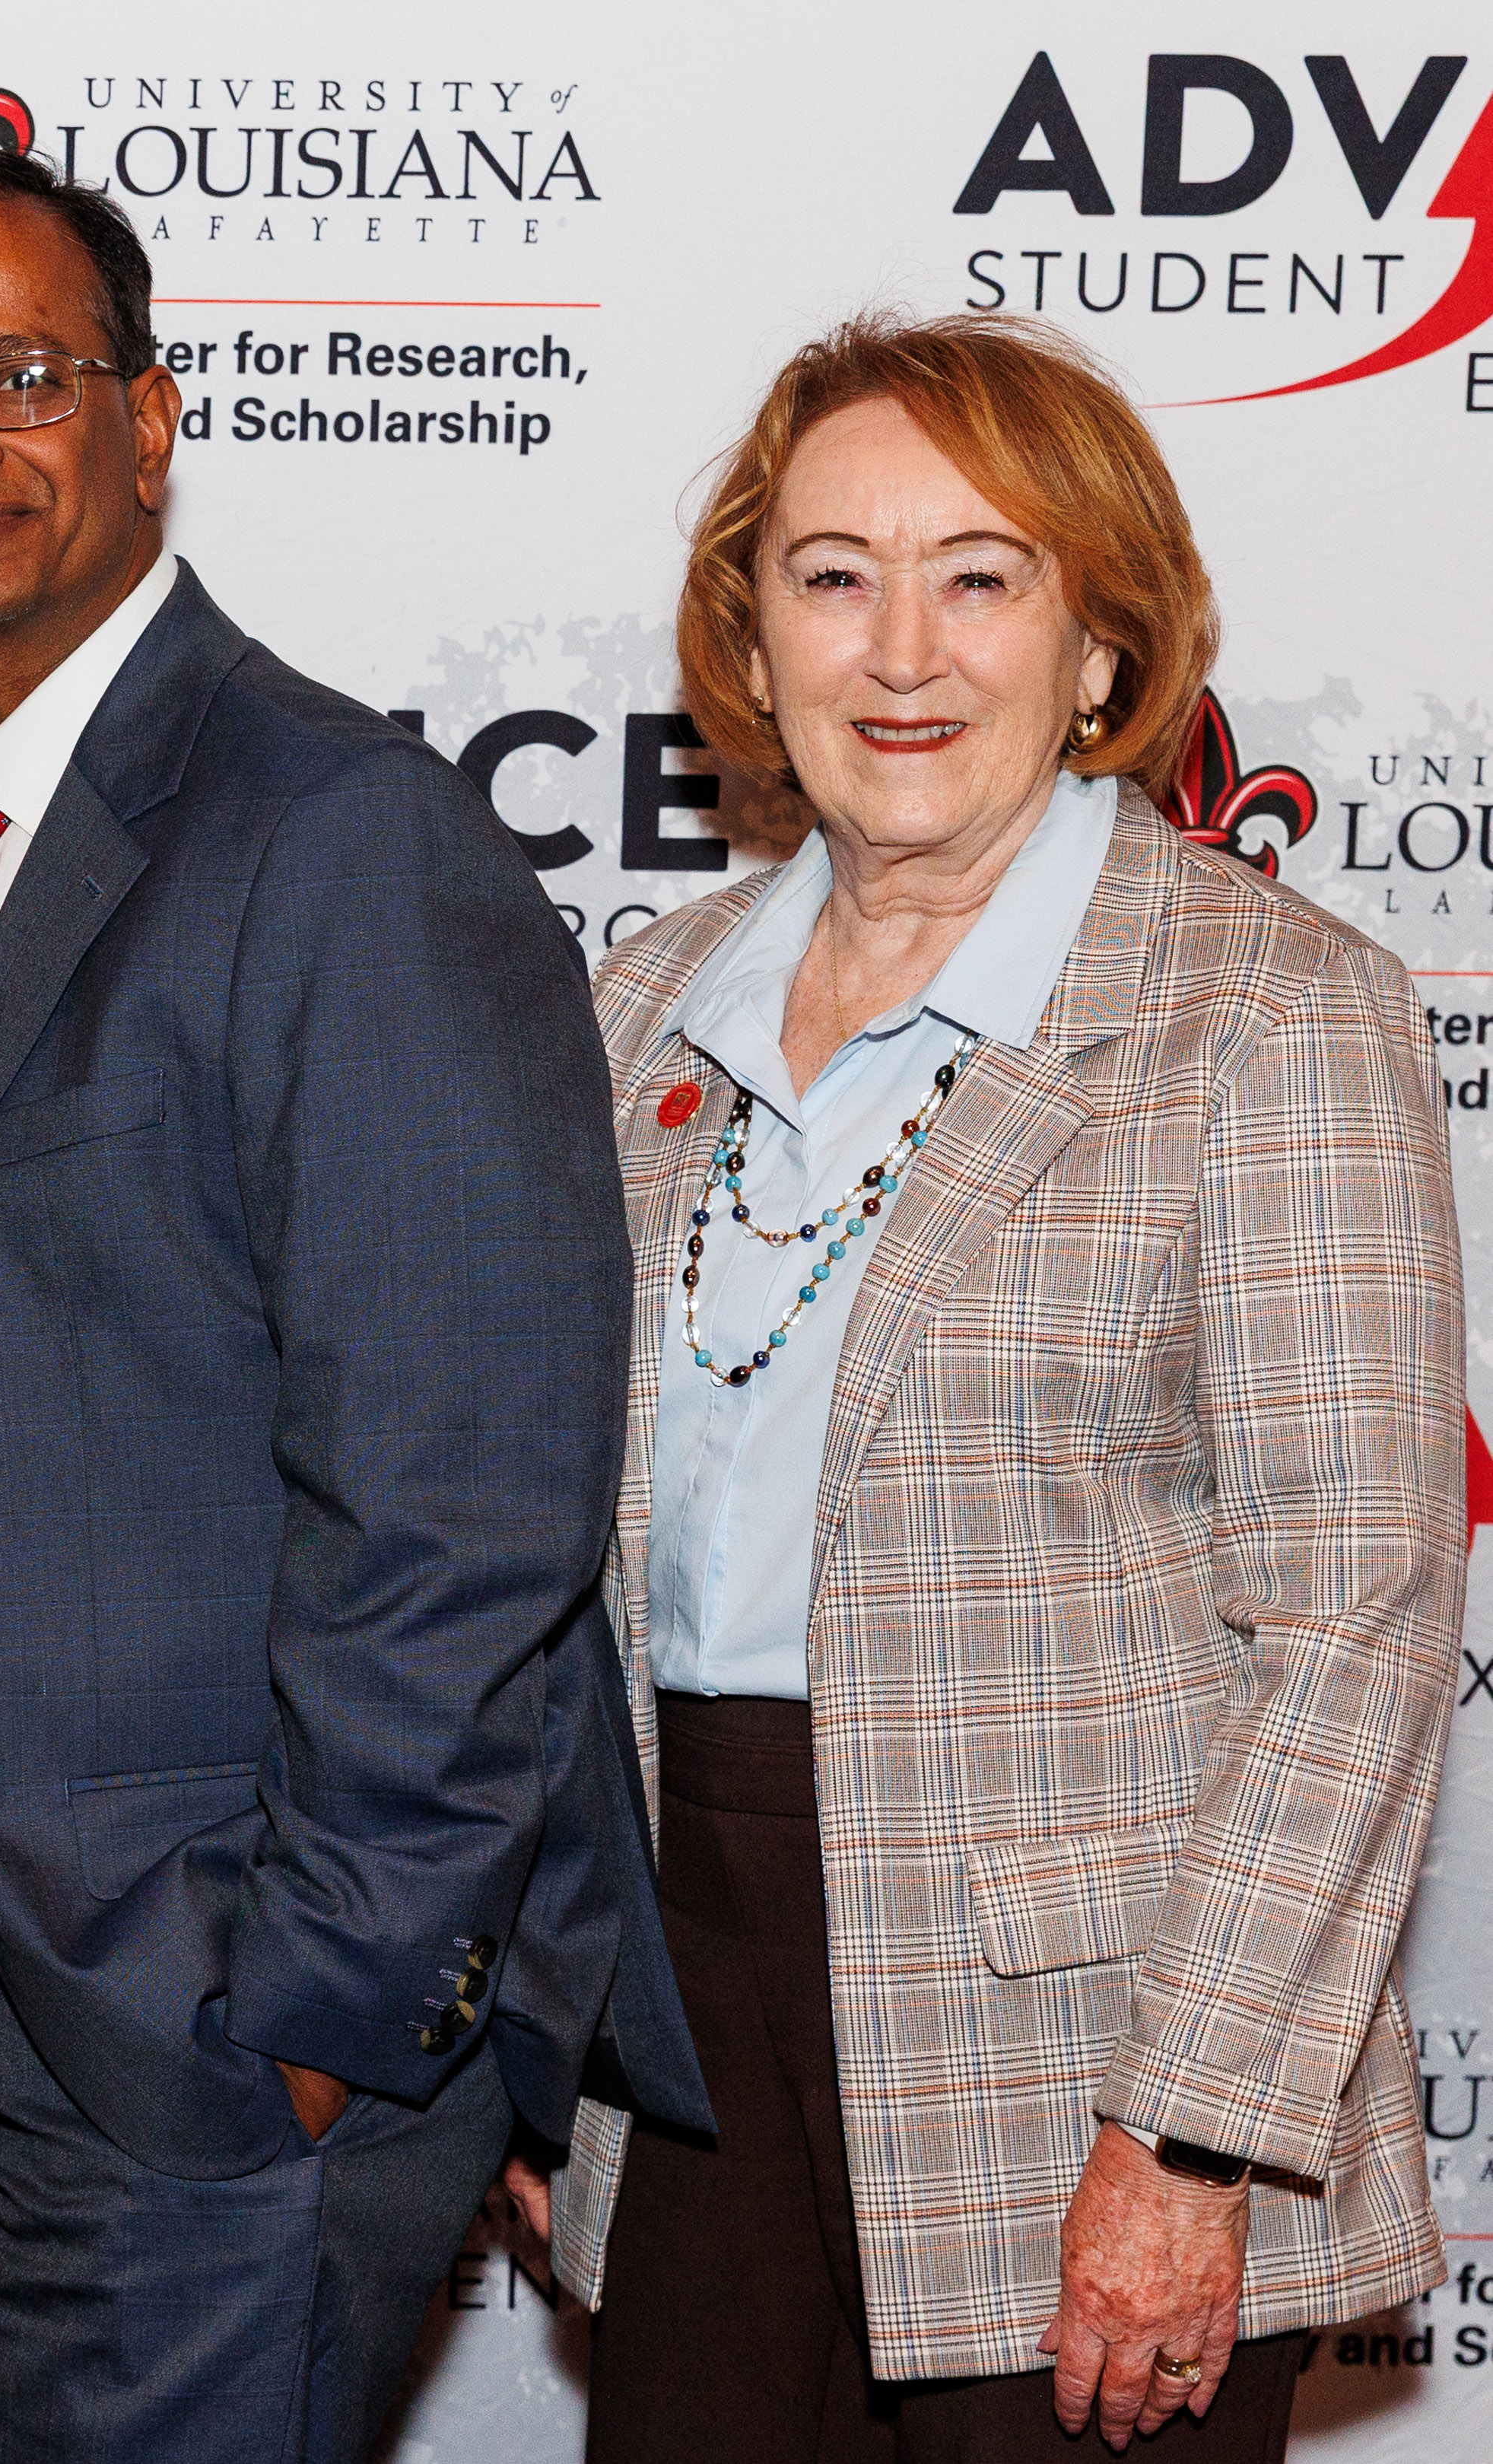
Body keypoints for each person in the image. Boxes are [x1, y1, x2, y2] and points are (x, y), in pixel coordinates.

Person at [0, 146, 706, 2463]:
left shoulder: (343, 833)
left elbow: (466, 1490)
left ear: (151, 421)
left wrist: (326, 2003)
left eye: (23, 376)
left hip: (206, 1993)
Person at [526, 312, 1461, 2462]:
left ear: (1100, 641)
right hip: (682, 1998)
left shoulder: (1266, 1015)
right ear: (753, 637)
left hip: (1081, 2057)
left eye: (980, 576)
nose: (900, 651)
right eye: (832, 575)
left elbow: (1355, 1622)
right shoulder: (640, 1009)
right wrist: (544, 2020)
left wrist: (1192, 2131)